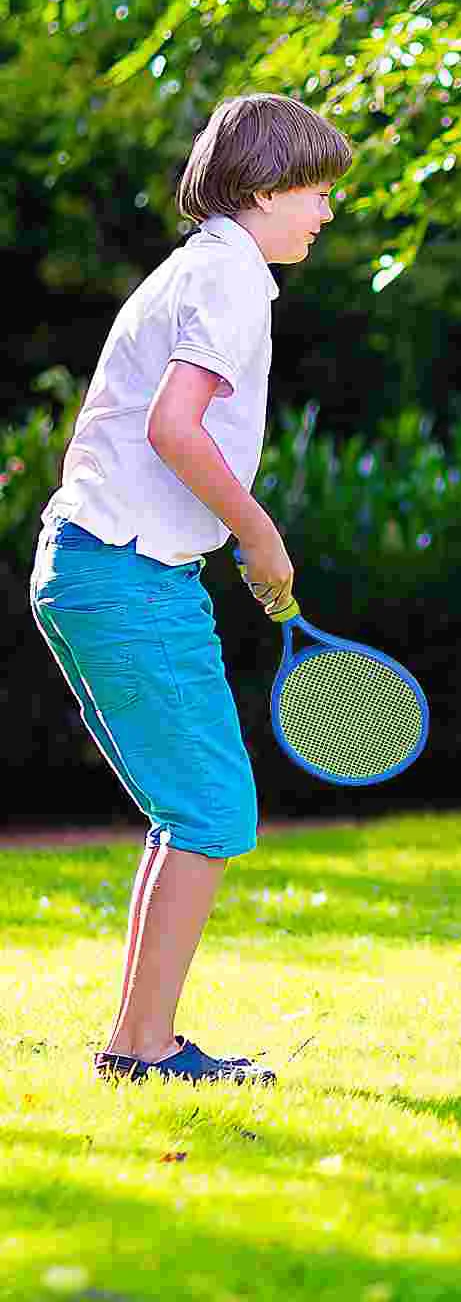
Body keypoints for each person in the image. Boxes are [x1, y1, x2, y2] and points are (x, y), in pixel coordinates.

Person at [28, 93, 351, 1083]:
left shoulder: (206, 269)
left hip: (125, 570)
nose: (326, 213)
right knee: (208, 809)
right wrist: (259, 533)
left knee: (197, 807)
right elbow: (176, 428)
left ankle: (140, 1043)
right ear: (260, 189)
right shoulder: (229, 278)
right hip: (120, 571)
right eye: (315, 191)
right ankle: (145, 1048)